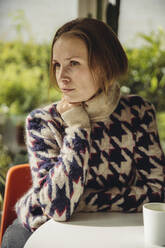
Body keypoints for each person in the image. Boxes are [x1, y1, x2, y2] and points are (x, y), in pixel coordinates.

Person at [2, 17, 165, 248]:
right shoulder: (42, 122)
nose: (61, 76)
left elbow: (157, 194)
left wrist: (82, 201)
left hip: (116, 229)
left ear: (105, 65)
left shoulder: (138, 113)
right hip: (41, 228)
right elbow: (58, 207)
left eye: (74, 63)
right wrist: (78, 130)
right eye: (57, 64)